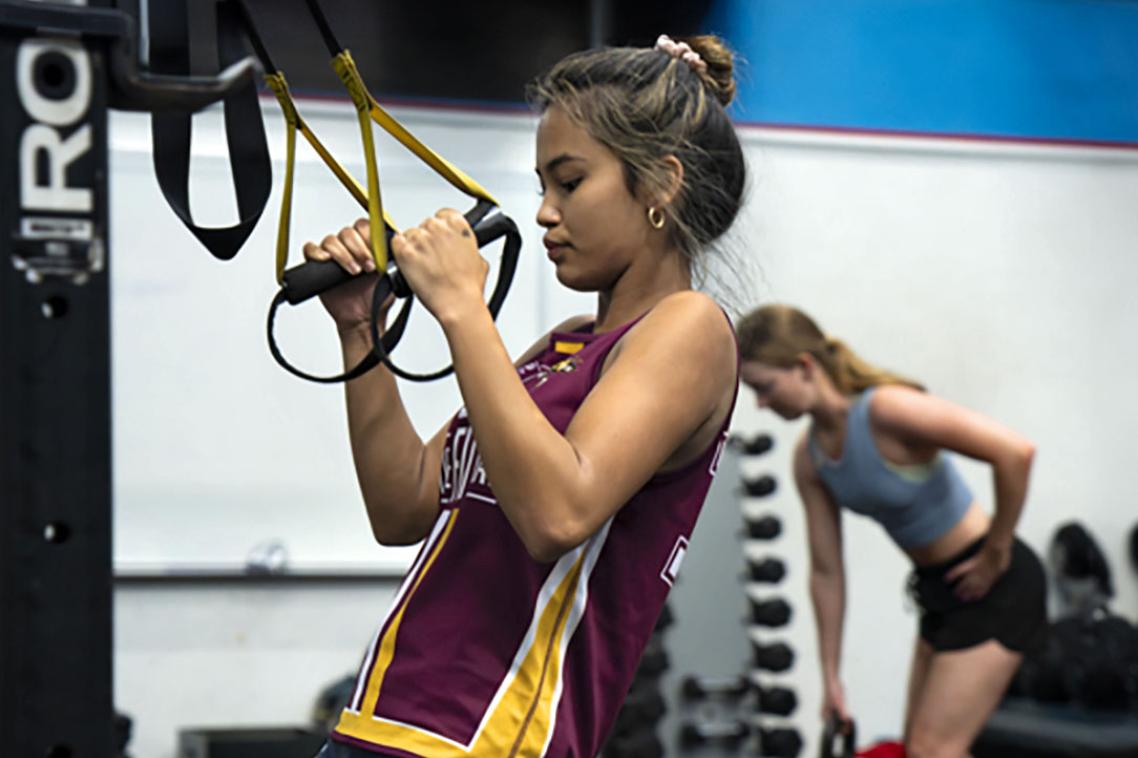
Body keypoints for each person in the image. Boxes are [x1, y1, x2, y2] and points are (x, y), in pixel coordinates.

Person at [304, 34, 745, 757]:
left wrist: (462, 309)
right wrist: (362, 332)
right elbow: (402, 504)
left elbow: (558, 513)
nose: (544, 212)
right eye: (542, 185)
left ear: (662, 183)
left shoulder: (689, 329)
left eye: (569, 184)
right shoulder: (562, 346)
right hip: (381, 717)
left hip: (489, 738)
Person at [736, 304, 1046, 758]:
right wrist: (831, 676)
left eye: (764, 388)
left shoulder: (886, 410)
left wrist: (997, 552)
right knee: (917, 748)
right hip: (939, 592)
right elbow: (826, 572)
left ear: (804, 367)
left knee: (931, 750)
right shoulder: (811, 460)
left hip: (996, 584)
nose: (761, 404)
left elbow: (1016, 452)